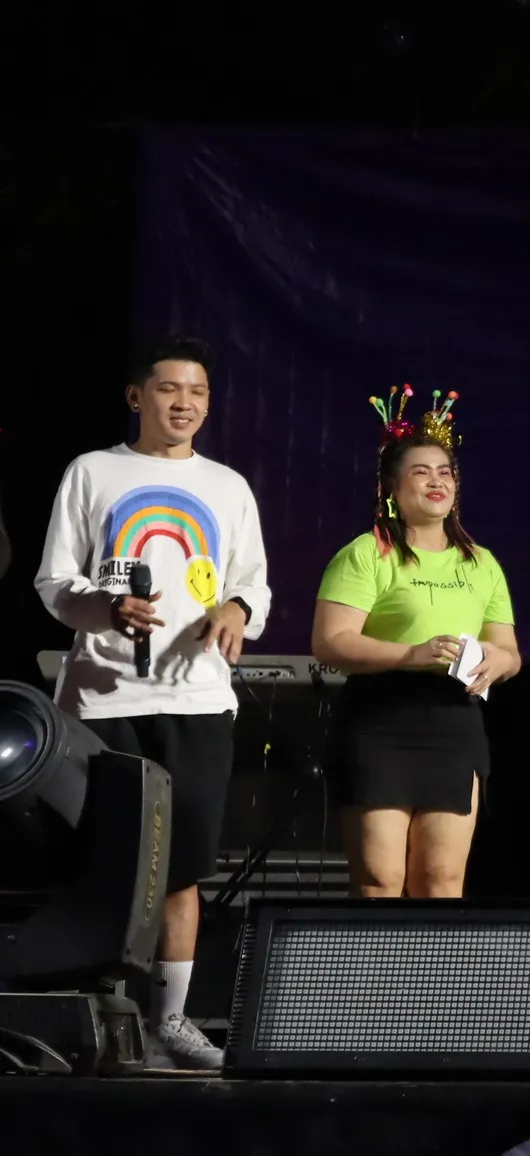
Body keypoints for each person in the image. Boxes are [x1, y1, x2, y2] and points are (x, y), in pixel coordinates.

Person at [33, 335, 271, 1069]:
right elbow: (54, 583)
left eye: (197, 392)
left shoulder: (228, 486)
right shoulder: (93, 471)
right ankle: (103, 1017)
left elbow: (254, 584)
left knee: (184, 864)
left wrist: (234, 610)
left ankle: (172, 1020)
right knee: (110, 861)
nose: (184, 403)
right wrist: (108, 610)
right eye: (169, 389)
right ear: (137, 396)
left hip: (197, 697)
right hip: (103, 700)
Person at [311, 387, 519, 899]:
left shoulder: (481, 563)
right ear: (392, 487)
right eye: (421, 472)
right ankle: (372, 959)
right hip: (379, 720)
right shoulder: (367, 553)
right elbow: (331, 641)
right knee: (379, 880)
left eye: (445, 472)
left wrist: (496, 662)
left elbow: (509, 652)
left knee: (441, 880)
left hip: (454, 722)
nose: (437, 481)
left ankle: (433, 961)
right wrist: (410, 654)